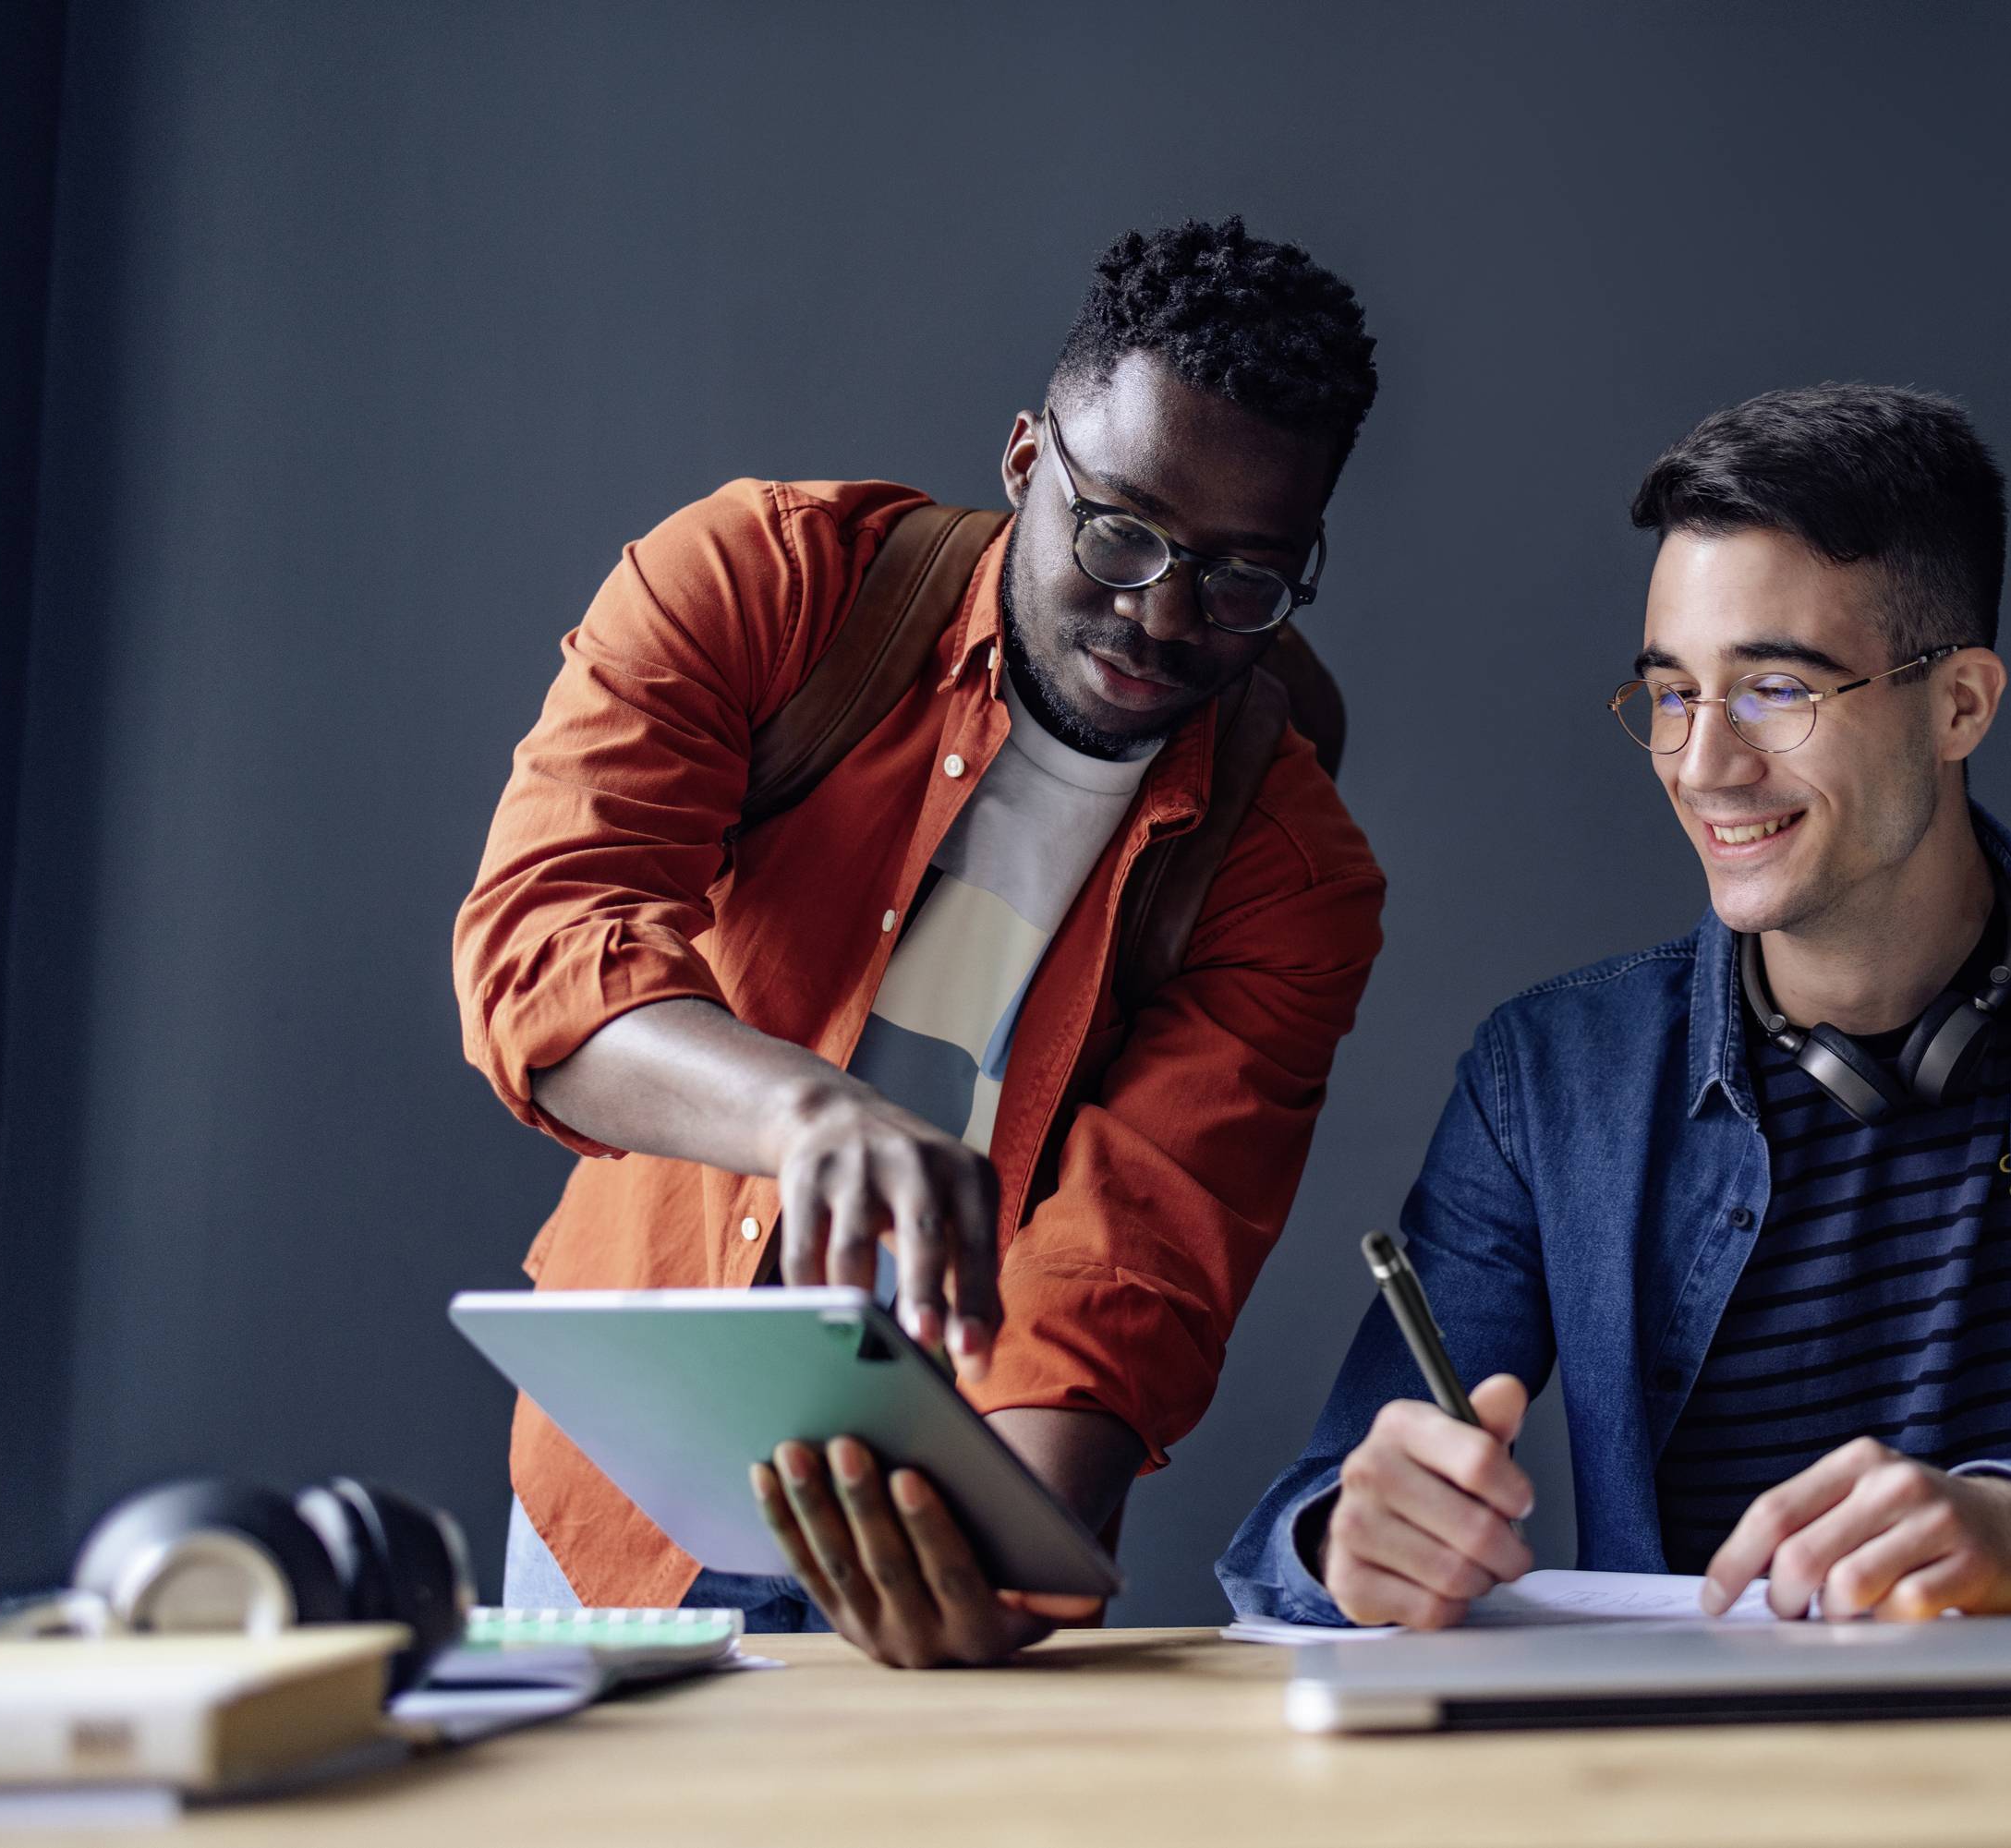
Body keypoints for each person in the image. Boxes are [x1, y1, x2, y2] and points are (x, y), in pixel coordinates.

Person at [1222, 382, 2011, 1629]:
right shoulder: (1545, 1084)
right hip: (1705, 1801)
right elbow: (1283, 1538)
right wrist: (1350, 1537)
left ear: (1961, 704)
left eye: (1774, 690)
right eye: (1672, 692)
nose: (1702, 762)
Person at [454, 217, 1386, 1665]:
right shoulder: (760, 581)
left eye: (1242, 579)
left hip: (943, 1496)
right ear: (1026, 458)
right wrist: (807, 1114)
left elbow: (1130, 1262)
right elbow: (545, 942)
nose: (1162, 612)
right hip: (616, 1491)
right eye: (1120, 529)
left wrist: (1011, 1558)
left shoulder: (1292, 874)